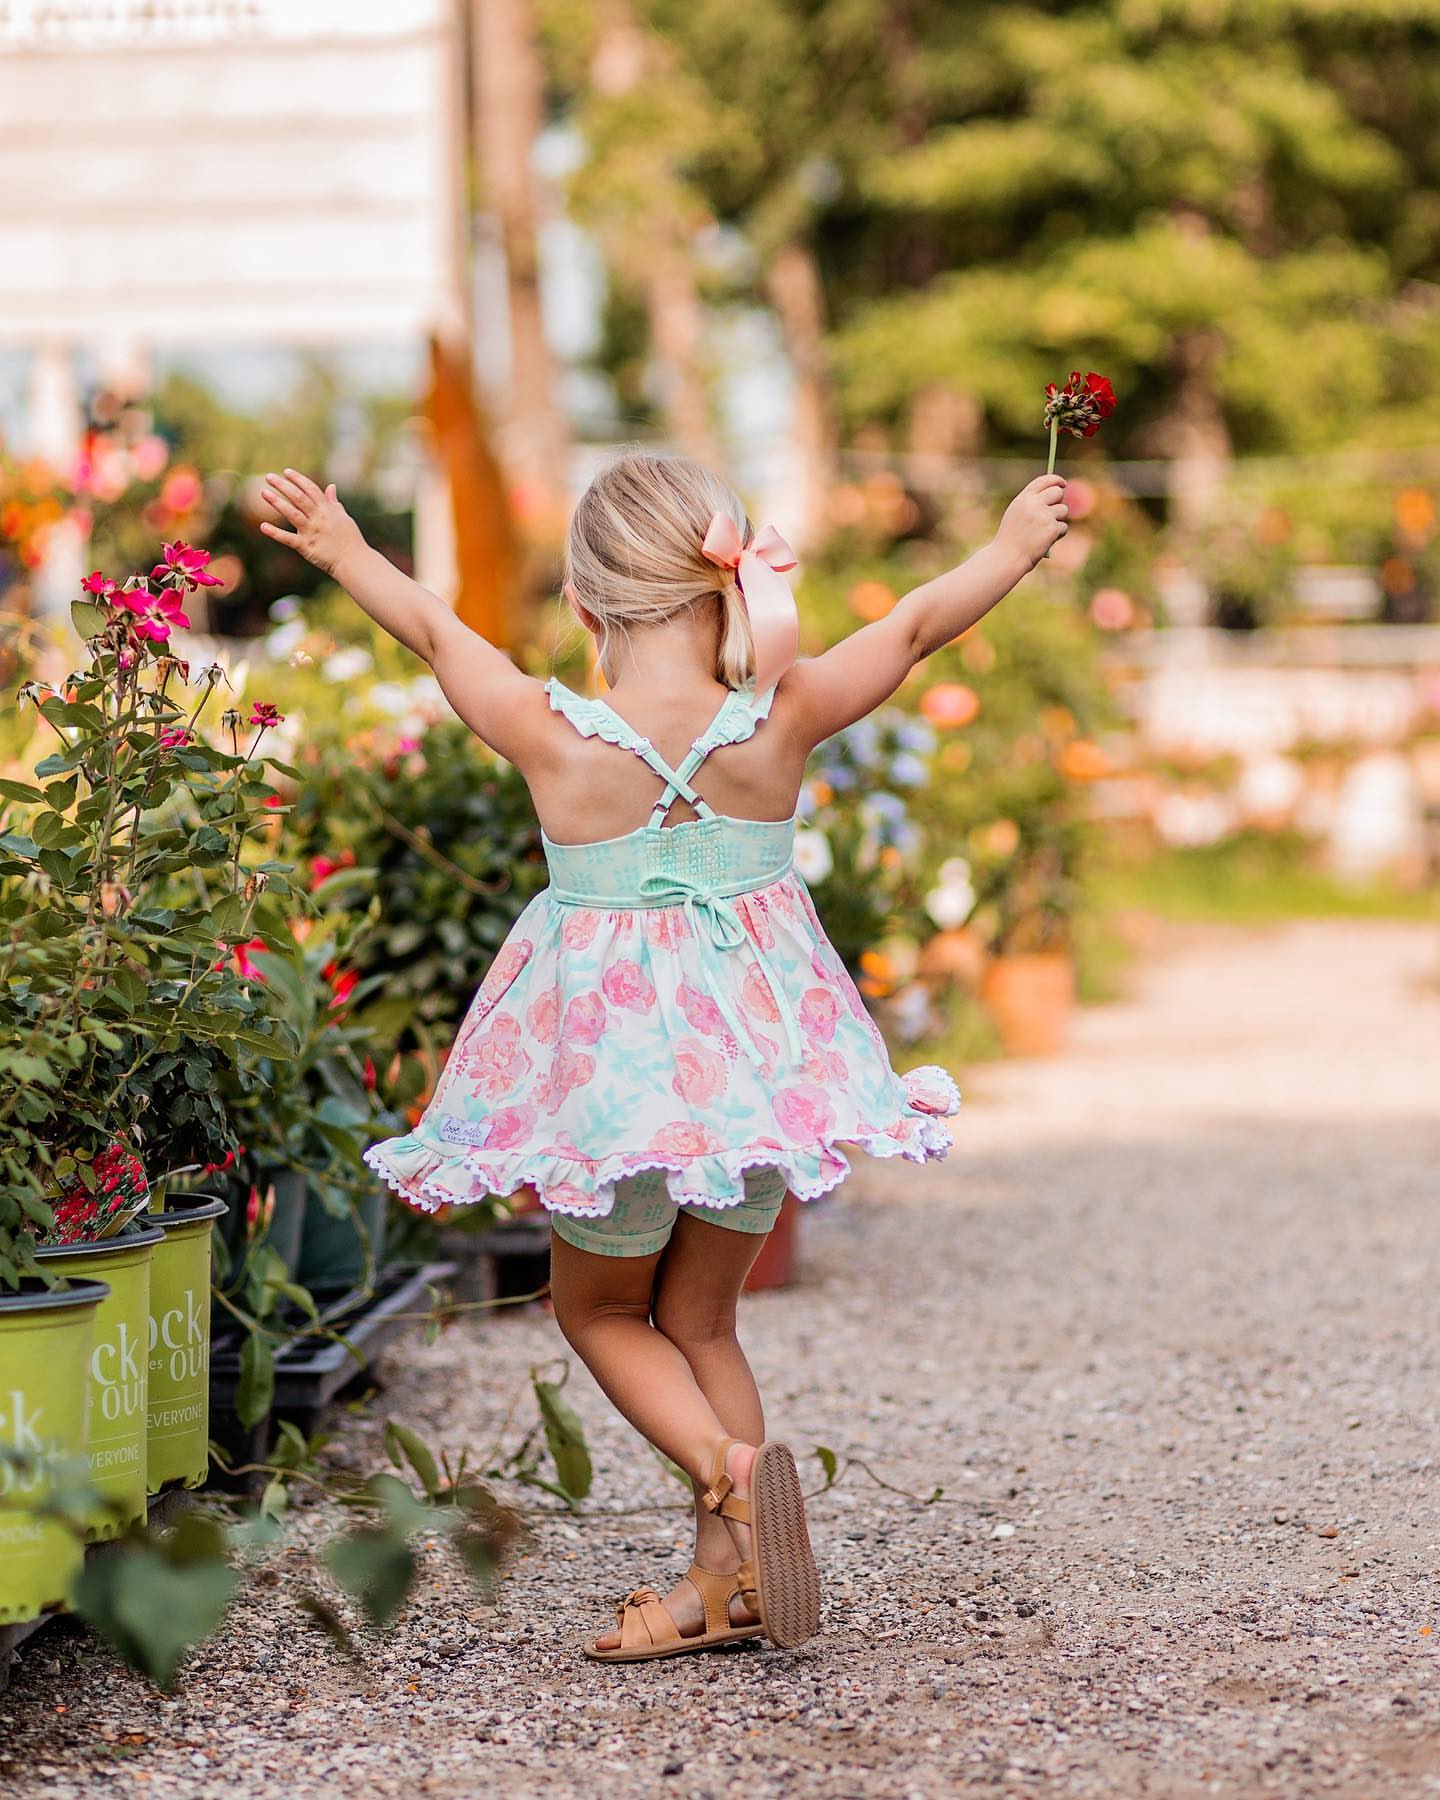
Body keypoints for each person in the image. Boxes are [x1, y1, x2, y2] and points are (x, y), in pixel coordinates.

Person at [259, 450, 1068, 1662]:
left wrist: (336, 544)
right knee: (704, 1324)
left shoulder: (550, 730)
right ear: (725, 583)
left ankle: (728, 1474)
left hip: (619, 1094)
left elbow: (433, 631)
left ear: (586, 605)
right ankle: (725, 1583)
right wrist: (1011, 545)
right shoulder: (781, 714)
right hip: (759, 1079)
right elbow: (911, 631)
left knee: (597, 1310)